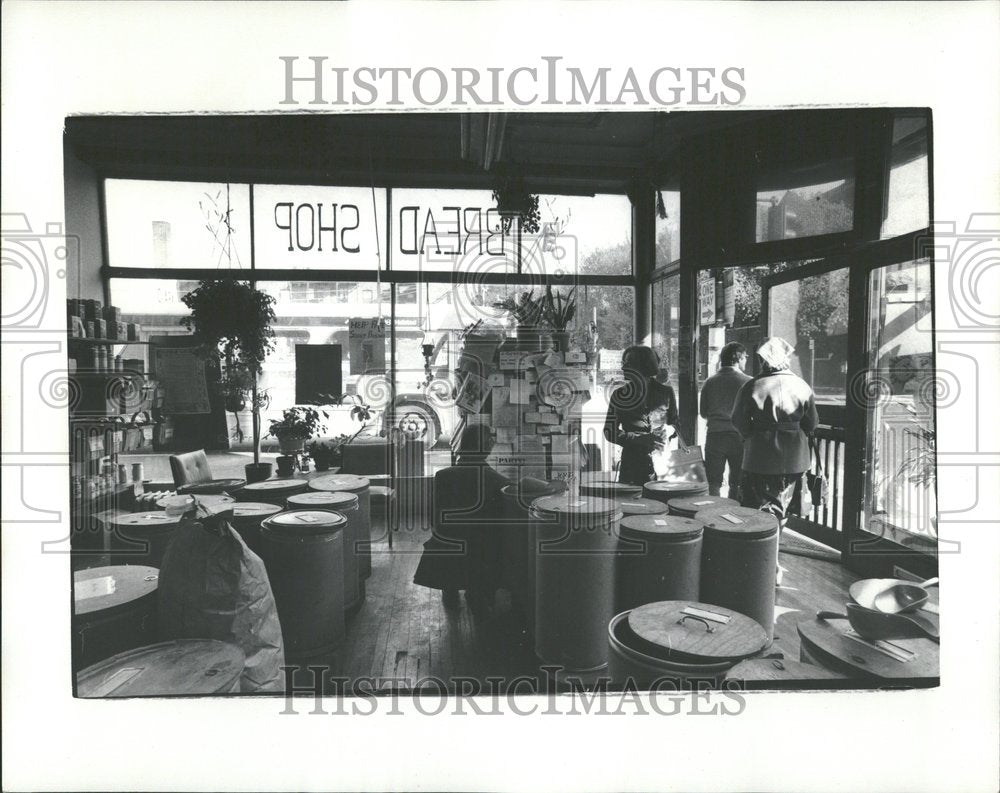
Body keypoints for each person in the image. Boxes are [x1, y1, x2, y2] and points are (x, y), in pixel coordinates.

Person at [731, 336, 818, 585]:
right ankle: (774, 561)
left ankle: (761, 563)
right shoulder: (802, 386)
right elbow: (812, 423)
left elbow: (737, 421)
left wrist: (754, 436)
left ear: (763, 359)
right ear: (786, 358)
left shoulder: (751, 386)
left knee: (757, 510)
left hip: (759, 457)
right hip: (794, 460)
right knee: (782, 511)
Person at [412, 424, 509, 614]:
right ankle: (478, 592)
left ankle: (450, 589)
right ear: (486, 446)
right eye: (491, 440)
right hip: (480, 549)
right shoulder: (497, 481)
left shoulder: (443, 476)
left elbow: (434, 515)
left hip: (447, 544)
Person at [604, 345, 679, 486]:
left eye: (628, 363)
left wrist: (668, 431)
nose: (623, 368)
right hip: (631, 466)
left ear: (643, 365)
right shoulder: (619, 395)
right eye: (623, 363)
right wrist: (638, 439)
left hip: (662, 464)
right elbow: (609, 431)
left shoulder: (666, 393)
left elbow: (676, 424)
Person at [700, 342, 752, 497]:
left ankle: (713, 514)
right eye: (745, 357)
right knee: (737, 482)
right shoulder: (748, 382)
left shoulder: (710, 382)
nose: (746, 361)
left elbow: (703, 412)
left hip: (715, 436)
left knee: (713, 482)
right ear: (739, 358)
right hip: (739, 437)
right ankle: (733, 513)